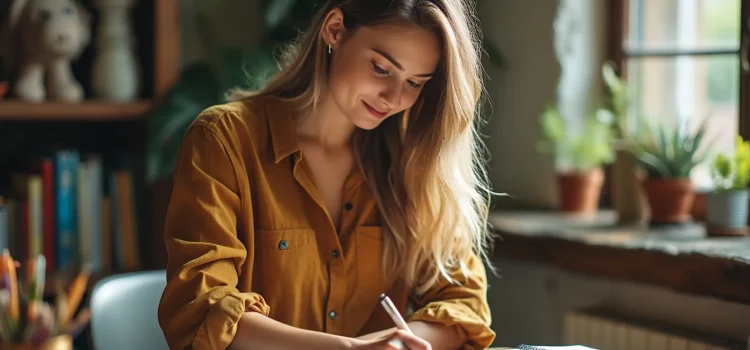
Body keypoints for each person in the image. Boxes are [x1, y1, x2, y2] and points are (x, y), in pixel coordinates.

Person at [157, 0, 497, 349]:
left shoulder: (411, 164)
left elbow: (464, 302)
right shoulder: (225, 140)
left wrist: (397, 346)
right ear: (334, 29)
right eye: (381, 69)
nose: (394, 98)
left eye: (414, 83)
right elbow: (202, 308)